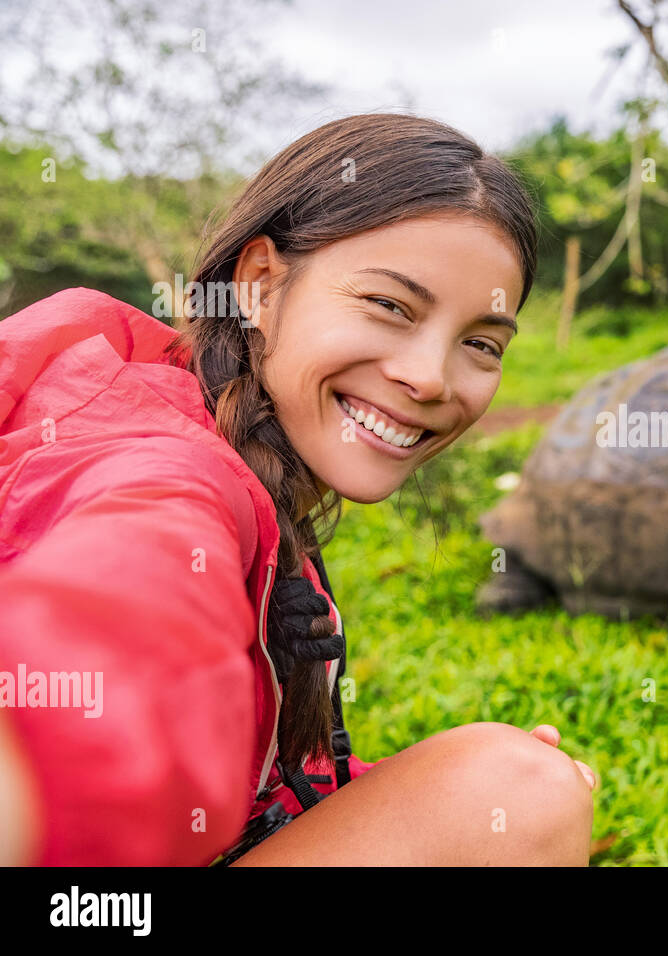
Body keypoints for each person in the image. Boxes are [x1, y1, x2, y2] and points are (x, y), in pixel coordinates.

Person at [0, 112, 598, 866]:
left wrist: (445, 800)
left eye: (480, 343)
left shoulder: (230, 436)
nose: (430, 377)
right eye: (389, 305)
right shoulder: (171, 474)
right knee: (515, 792)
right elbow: (119, 615)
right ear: (258, 285)